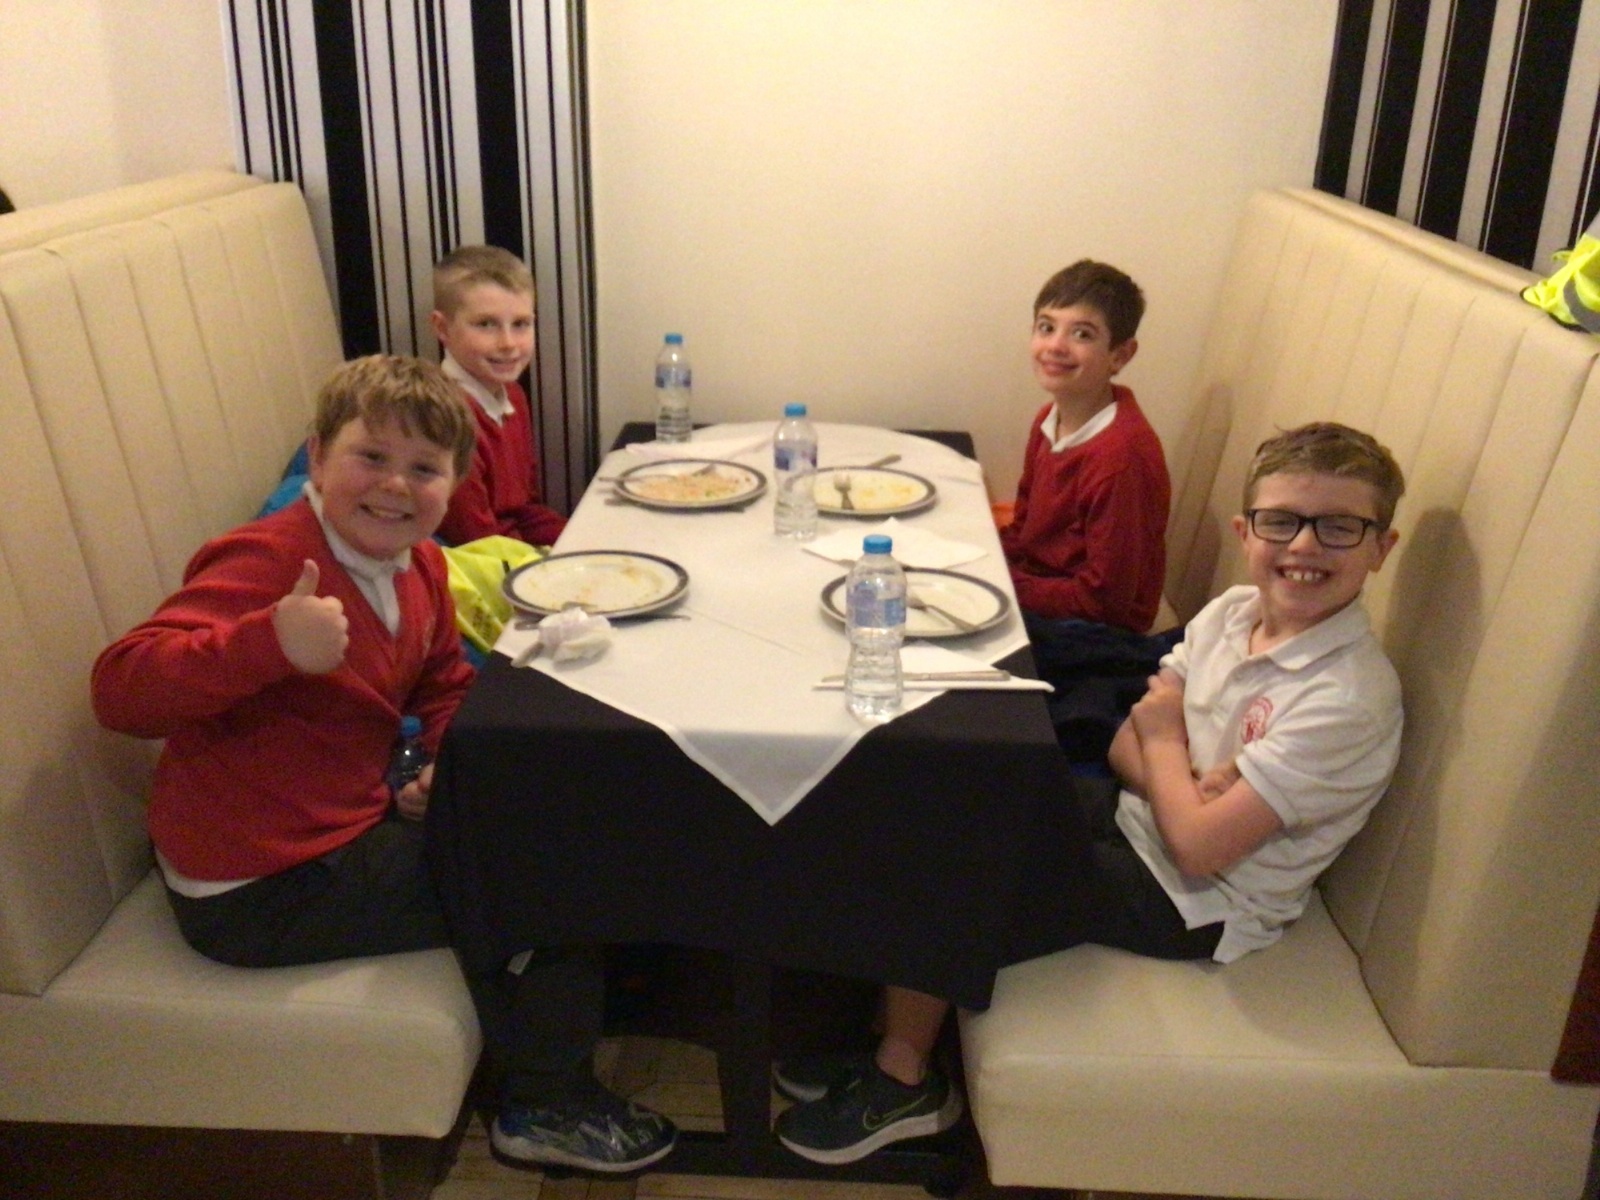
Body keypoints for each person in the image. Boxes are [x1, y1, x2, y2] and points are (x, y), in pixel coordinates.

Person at [90, 355, 675, 1174]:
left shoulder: (421, 564)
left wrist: (439, 757)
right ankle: (546, 1106)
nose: (396, 485)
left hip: (335, 827)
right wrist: (267, 643)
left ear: (453, 483)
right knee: (547, 873)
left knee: (554, 810)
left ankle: (579, 1017)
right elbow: (120, 691)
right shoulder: (271, 562)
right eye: (371, 456)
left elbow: (443, 683)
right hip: (257, 887)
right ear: (318, 456)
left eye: (424, 468)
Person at [774, 422, 1406, 1164]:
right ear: (1246, 531)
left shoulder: (1345, 699)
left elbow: (1197, 849)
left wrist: (1167, 747)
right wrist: (1183, 782)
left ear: (1380, 547)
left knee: (953, 864)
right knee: (951, 793)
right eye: (1282, 521)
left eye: (1339, 527)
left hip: (1197, 905)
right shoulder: (1233, 613)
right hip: (1139, 822)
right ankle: (889, 1032)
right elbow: (1121, 745)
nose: (1303, 546)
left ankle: (904, 1082)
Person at [997, 261, 1177, 761]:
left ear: (1120, 355)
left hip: (1102, 635)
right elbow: (1025, 524)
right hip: (1049, 593)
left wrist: (1006, 584)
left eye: (1081, 334)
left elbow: (1107, 603)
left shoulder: (1120, 458)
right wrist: (992, 560)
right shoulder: (1050, 417)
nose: (1055, 346)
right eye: (1046, 327)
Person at [431, 244, 568, 548]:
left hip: (513, 549)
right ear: (442, 328)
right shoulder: (445, 419)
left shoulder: (513, 397)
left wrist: (580, 538)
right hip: (480, 563)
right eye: (486, 324)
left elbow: (524, 509)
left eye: (520, 324)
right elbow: (475, 542)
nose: (508, 343)